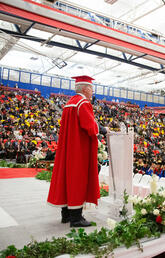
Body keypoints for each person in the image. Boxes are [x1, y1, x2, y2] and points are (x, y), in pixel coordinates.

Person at [47, 75, 100, 227]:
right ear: (84, 88)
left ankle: (66, 215)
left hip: (67, 148)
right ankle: (76, 218)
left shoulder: (69, 103)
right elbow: (90, 127)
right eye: (91, 88)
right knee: (78, 180)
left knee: (66, 179)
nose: (92, 91)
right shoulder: (83, 103)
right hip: (79, 149)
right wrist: (100, 129)